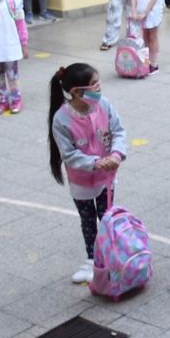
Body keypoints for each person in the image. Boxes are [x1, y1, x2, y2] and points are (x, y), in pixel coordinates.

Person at [48, 63, 128, 284]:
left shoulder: (104, 105)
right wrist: (95, 162)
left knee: (107, 217)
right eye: (94, 86)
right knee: (88, 220)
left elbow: (118, 131)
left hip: (107, 177)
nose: (98, 90)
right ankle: (92, 259)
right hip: (81, 180)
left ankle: (111, 257)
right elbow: (69, 154)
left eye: (98, 84)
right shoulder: (61, 119)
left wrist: (116, 154)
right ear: (76, 92)